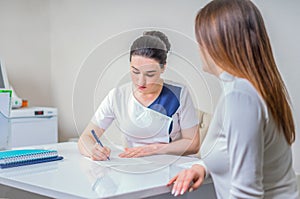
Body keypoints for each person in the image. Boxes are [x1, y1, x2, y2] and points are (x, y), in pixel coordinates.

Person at [168, 0, 299, 198]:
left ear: (217, 43)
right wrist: (202, 166)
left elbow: (247, 194)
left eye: (201, 40)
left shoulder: (240, 96)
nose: (199, 48)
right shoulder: (252, 88)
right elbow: (238, 153)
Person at [78, 30, 200, 161]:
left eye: (150, 74)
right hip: (133, 167)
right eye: (135, 72)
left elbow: (193, 143)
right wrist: (93, 150)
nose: (141, 81)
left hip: (170, 167)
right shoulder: (117, 96)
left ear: (163, 67)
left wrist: (155, 149)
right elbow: (85, 138)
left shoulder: (179, 94)